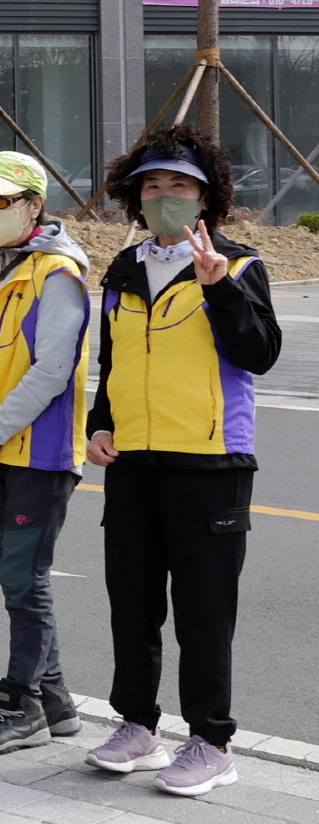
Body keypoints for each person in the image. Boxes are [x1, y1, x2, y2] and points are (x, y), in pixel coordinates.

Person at [83, 126, 280, 796]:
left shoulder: (240, 264)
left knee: (202, 611)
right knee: (131, 604)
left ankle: (212, 741)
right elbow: (111, 362)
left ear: (207, 197)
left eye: (181, 185)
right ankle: (137, 725)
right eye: (154, 185)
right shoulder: (123, 269)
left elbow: (259, 354)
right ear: (136, 197)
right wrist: (101, 423)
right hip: (135, 462)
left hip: (211, 461)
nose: (166, 195)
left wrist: (219, 287)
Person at [0, 152, 90, 755]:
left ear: (35, 205)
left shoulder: (57, 274)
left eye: (1, 201)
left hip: (41, 452)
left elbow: (52, 369)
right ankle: (55, 700)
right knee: (15, 572)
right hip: (4, 448)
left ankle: (21, 704)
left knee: (22, 577)